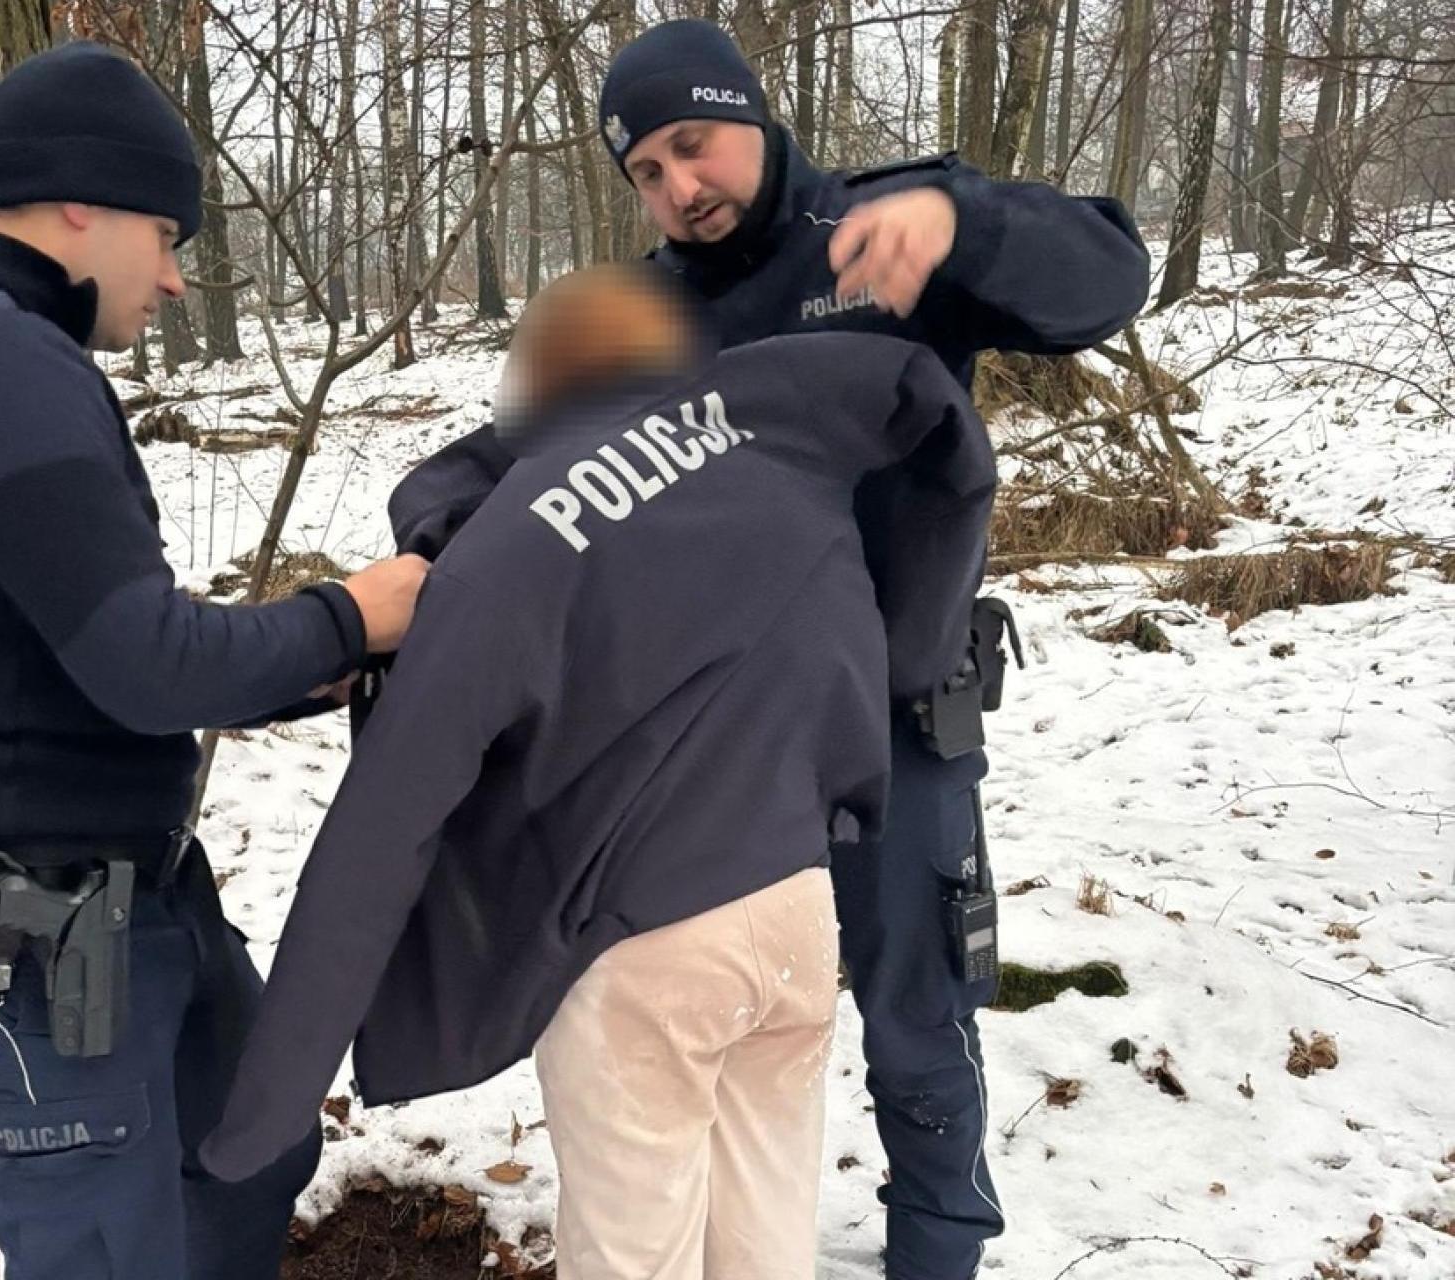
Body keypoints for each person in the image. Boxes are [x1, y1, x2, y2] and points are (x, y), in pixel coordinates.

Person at [364, 20, 1152, 1278]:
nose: (681, 188)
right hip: (716, 761)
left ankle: (939, 1251)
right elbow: (491, 464)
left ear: (752, 113)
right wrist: (452, 534)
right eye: (647, 173)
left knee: (917, 1017)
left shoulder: (886, 232)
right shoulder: (640, 312)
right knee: (724, 1036)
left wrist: (967, 221)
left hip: (900, 724)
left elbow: (1110, 277)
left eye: (693, 145)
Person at [197, 264, 998, 1280]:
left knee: (633, 1258)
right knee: (762, 1243)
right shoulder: (783, 446)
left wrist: (263, 1109)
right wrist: (914, 657)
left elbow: (384, 822)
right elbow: (948, 451)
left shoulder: (511, 545)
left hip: (639, 954)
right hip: (797, 918)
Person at [0, 41, 427, 1280]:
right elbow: (145, 661)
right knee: (116, 1251)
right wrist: (352, 615)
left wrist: (289, 672)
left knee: (251, 1151)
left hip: (126, 904)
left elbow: (73, 644)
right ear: (79, 201)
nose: (172, 278)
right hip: (32, 937)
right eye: (166, 233)